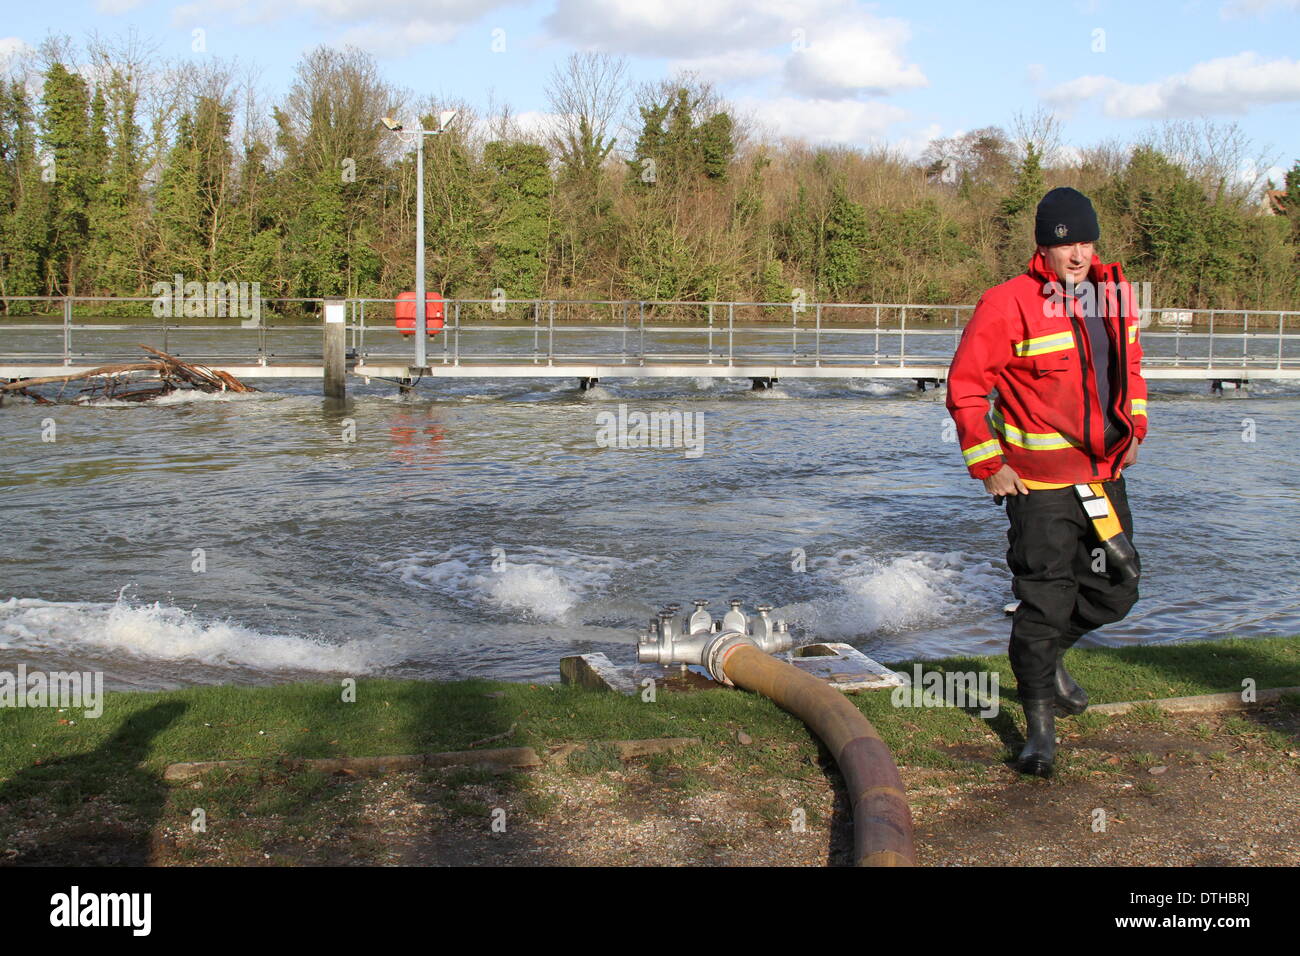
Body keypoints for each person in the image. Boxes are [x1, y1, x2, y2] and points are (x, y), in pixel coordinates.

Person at [945, 186, 1148, 777]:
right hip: (1037, 486)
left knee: (1120, 585)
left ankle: (1050, 654)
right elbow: (965, 386)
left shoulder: (1115, 293)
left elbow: (1130, 366)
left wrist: (1134, 426)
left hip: (1104, 475)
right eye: (1065, 243)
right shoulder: (1007, 302)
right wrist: (989, 464)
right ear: (1044, 247)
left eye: (1085, 241)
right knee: (1045, 597)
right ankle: (1038, 730)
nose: (1077, 253)